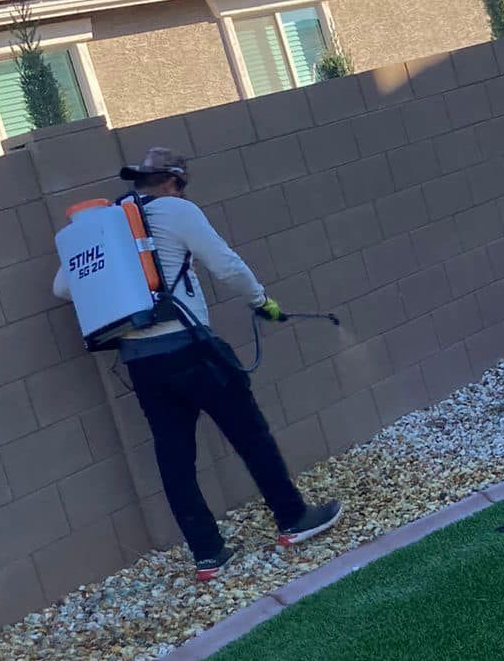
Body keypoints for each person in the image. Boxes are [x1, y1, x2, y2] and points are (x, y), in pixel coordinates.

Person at [54, 146, 342, 581]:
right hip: (191, 349)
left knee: (174, 458)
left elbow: (63, 286)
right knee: (251, 436)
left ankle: (207, 553)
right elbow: (226, 266)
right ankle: (293, 519)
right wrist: (261, 300)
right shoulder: (176, 211)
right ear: (173, 182)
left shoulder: (106, 222)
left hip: (141, 363)